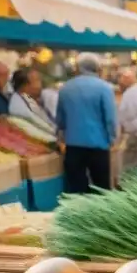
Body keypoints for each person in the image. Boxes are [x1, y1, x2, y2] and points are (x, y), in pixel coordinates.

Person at [56, 54, 117, 193]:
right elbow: (110, 118)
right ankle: (100, 214)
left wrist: (61, 137)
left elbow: (60, 119)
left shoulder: (66, 88)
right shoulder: (104, 88)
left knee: (77, 189)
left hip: (73, 146)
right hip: (99, 146)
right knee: (101, 190)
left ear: (77, 68)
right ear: (97, 68)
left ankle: (79, 214)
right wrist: (112, 138)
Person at [9, 69, 56, 134]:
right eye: (37, 81)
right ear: (25, 86)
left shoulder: (29, 99)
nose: (40, 84)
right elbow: (46, 130)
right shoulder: (19, 109)